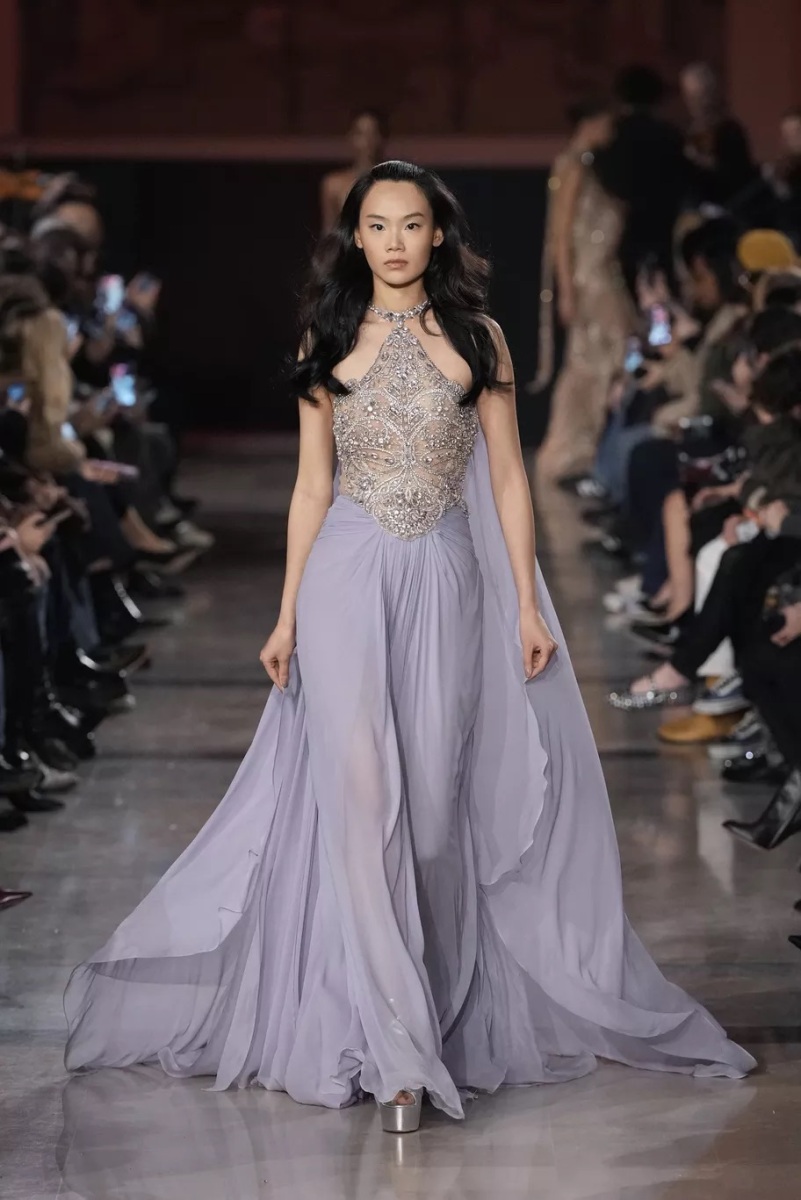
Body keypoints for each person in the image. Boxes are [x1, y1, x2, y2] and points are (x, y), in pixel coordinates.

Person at [64, 161, 754, 1135]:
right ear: (356, 237)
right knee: (362, 808)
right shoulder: (326, 334)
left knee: (430, 824)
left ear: (438, 234)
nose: (394, 241)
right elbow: (311, 485)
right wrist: (286, 613)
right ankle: (396, 1058)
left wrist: (527, 607)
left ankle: (426, 1011)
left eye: (412, 223)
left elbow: (508, 480)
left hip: (447, 580)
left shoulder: (479, 338)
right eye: (378, 225)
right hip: (346, 577)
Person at [534, 100, 636, 483]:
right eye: (607, 121)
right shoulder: (573, 166)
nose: (612, 130)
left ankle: (597, 452)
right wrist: (566, 290)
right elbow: (561, 236)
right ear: (591, 122)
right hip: (589, 281)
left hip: (603, 277)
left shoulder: (589, 166)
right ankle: (574, 452)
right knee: (592, 362)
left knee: (607, 359)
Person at [593, 65, 686, 294]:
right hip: (662, 230)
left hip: (622, 234)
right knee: (663, 293)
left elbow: (605, 181)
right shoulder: (669, 135)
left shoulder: (612, 135)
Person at [680, 62, 757, 210]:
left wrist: (698, 160)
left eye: (699, 96)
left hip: (726, 209)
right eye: (689, 96)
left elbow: (737, 174)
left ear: (712, 94)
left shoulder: (730, 131)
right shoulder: (687, 131)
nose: (694, 103)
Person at [320, 109, 387, 234]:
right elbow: (329, 232)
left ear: (381, 138)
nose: (367, 141)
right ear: (351, 138)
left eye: (372, 134)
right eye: (361, 134)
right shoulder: (334, 185)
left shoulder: (394, 183)